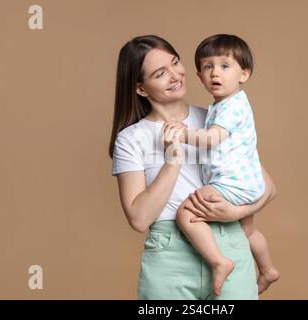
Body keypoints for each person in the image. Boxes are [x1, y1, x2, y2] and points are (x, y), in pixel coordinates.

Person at [109, 35, 276, 300]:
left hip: (229, 244)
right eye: (161, 73)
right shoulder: (131, 138)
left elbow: (267, 186)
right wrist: (173, 159)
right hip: (169, 256)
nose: (175, 75)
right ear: (141, 88)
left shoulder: (214, 118)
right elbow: (139, 219)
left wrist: (235, 211)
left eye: (175, 63)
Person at [172, 34, 280, 297]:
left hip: (232, 183)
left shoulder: (231, 107)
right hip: (247, 180)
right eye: (207, 67)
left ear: (244, 74)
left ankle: (219, 262)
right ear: (199, 76)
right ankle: (267, 269)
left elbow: (211, 140)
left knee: (185, 213)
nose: (214, 73)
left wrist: (180, 134)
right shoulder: (222, 106)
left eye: (224, 66)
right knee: (247, 228)